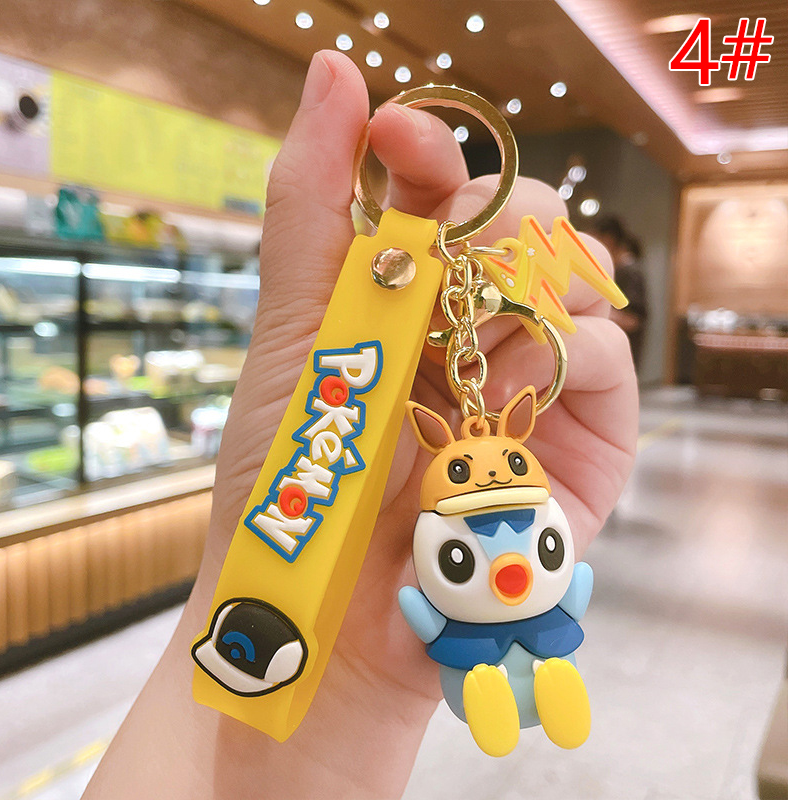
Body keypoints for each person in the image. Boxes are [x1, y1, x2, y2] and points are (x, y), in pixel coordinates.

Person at [83, 51, 638, 799]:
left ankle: (547, 686)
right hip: (329, 607)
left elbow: (558, 577)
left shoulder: (492, 485)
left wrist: (357, 702)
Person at [591, 217, 648, 369]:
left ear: (608, 239)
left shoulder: (629, 272)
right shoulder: (622, 270)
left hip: (622, 351)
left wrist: (598, 312)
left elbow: (633, 319)